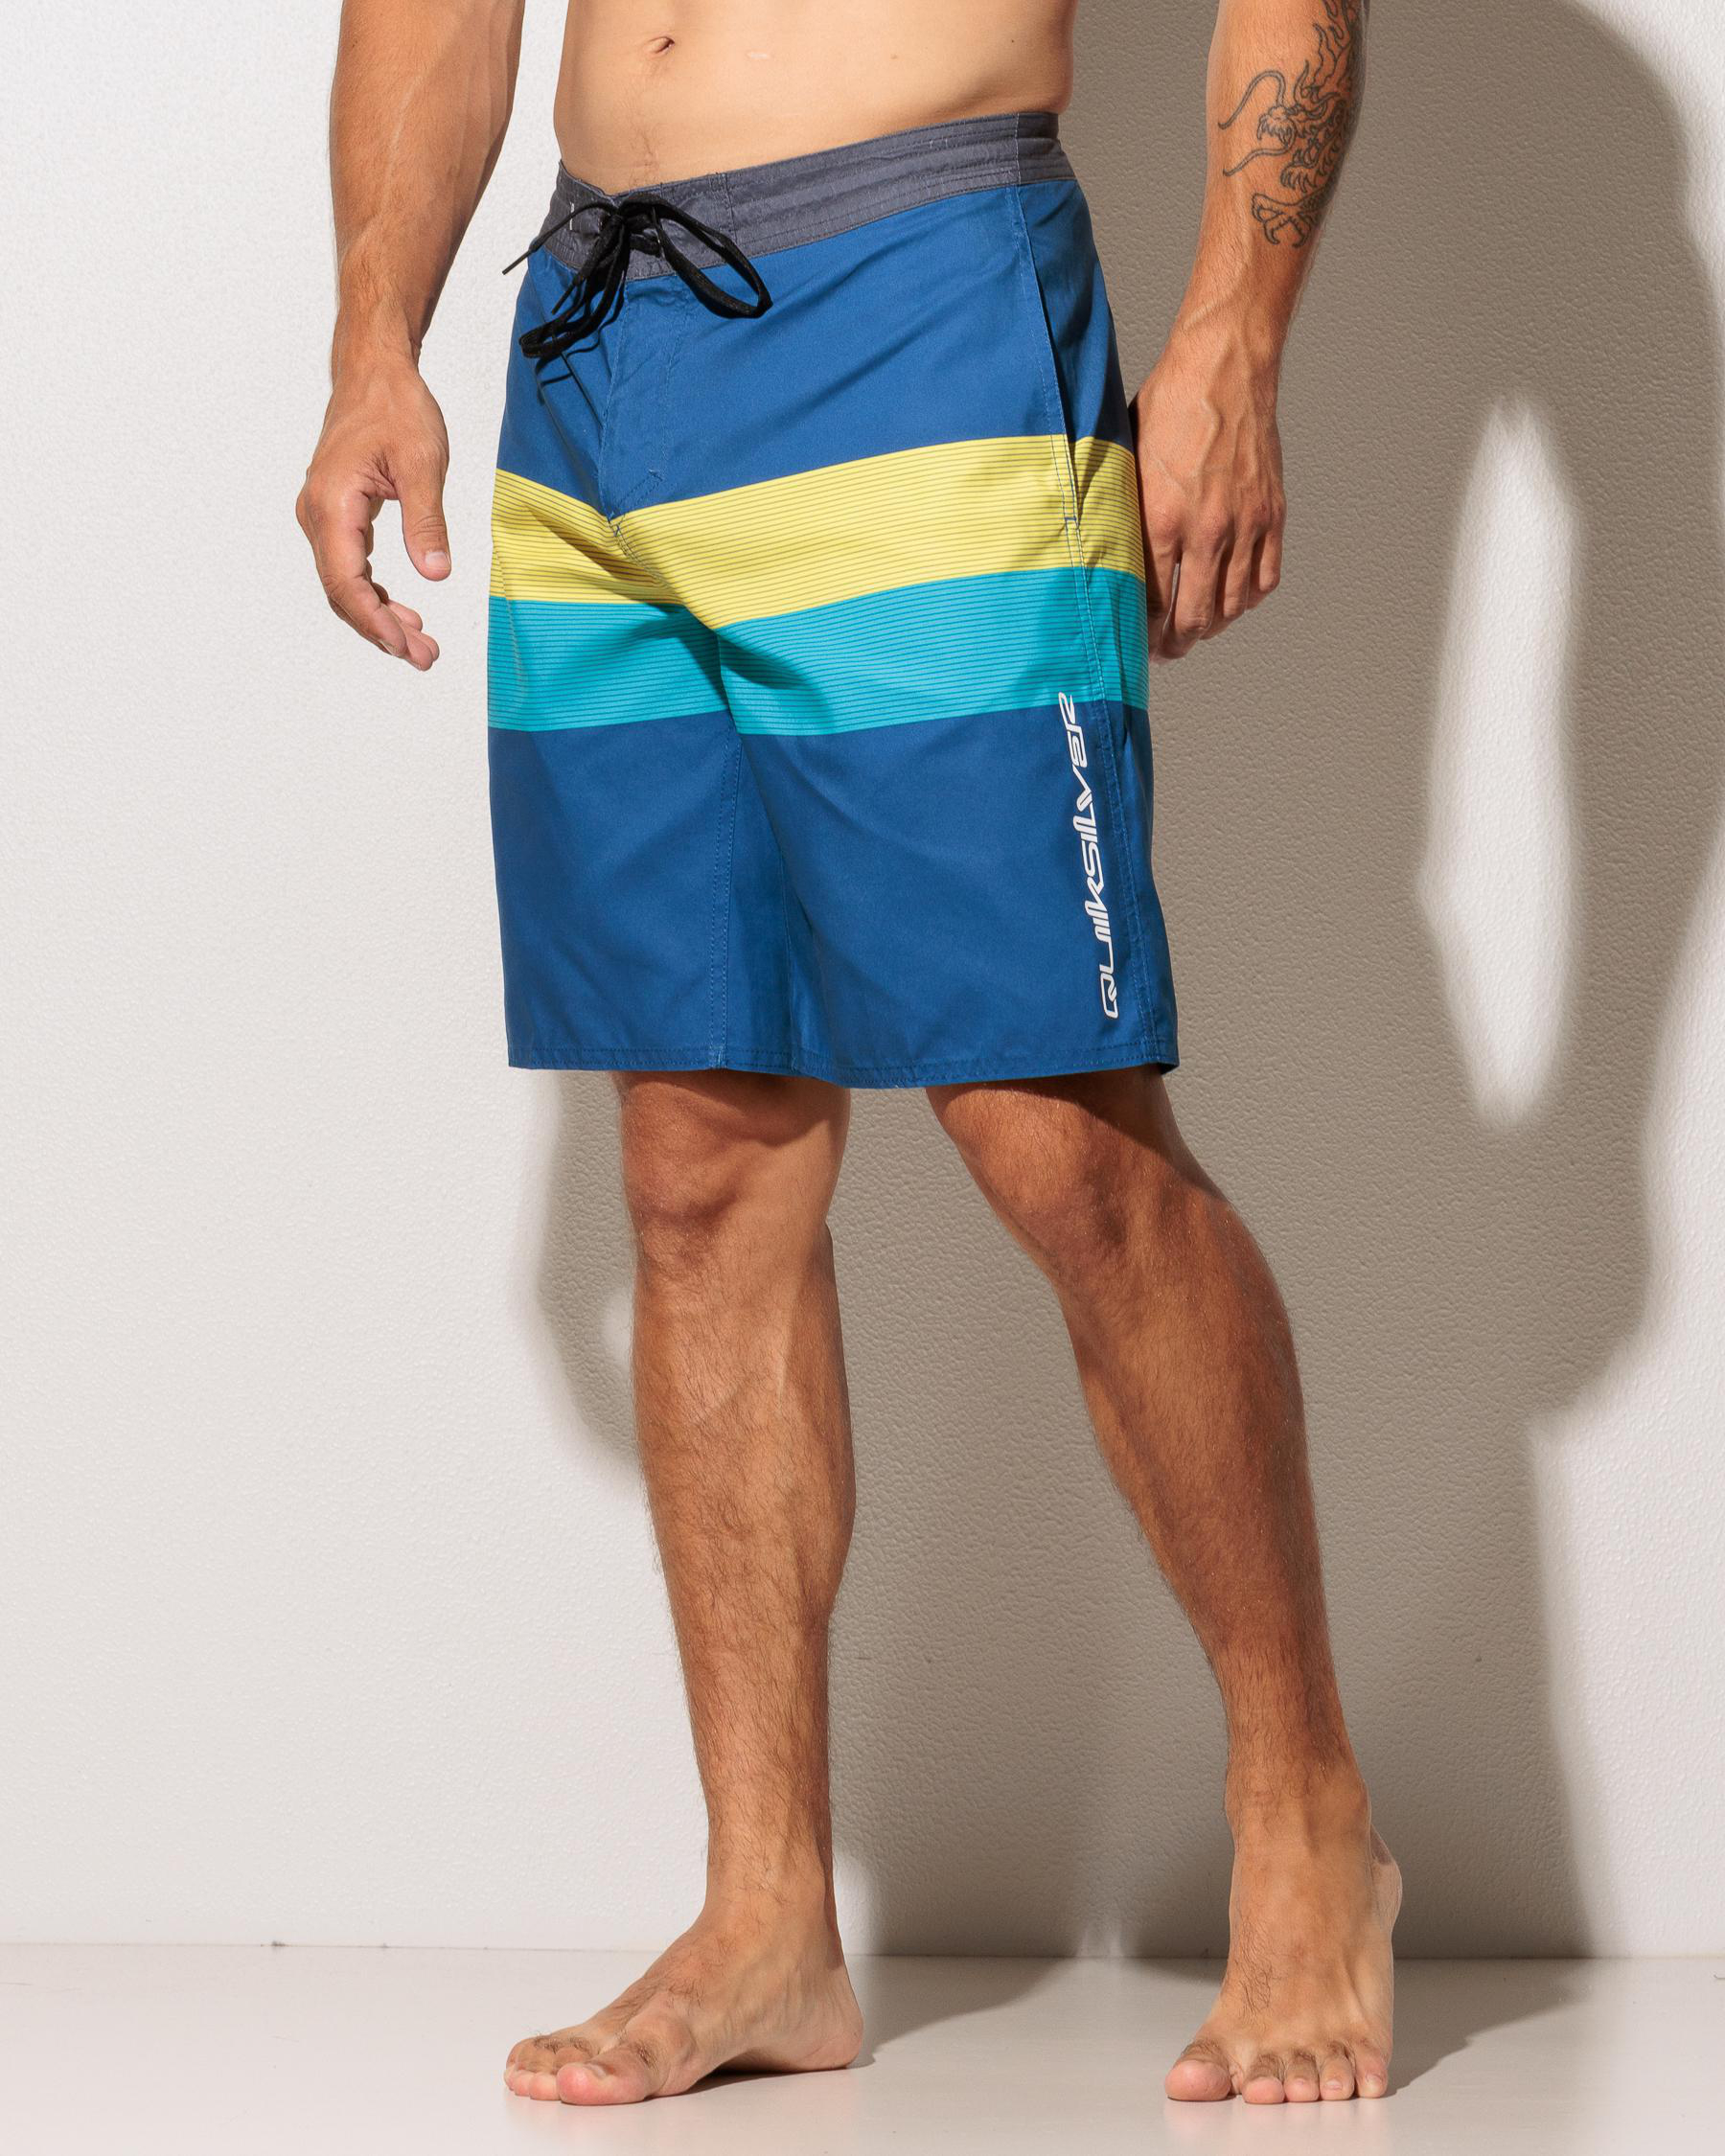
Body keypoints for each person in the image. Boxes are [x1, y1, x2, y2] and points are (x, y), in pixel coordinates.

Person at [297, 0, 1397, 2109]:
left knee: (1052, 1124)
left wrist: (1235, 335)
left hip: (925, 312)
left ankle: (1304, 1809)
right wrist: (375, 336)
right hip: (597, 344)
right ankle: (767, 1920)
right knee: (696, 1157)